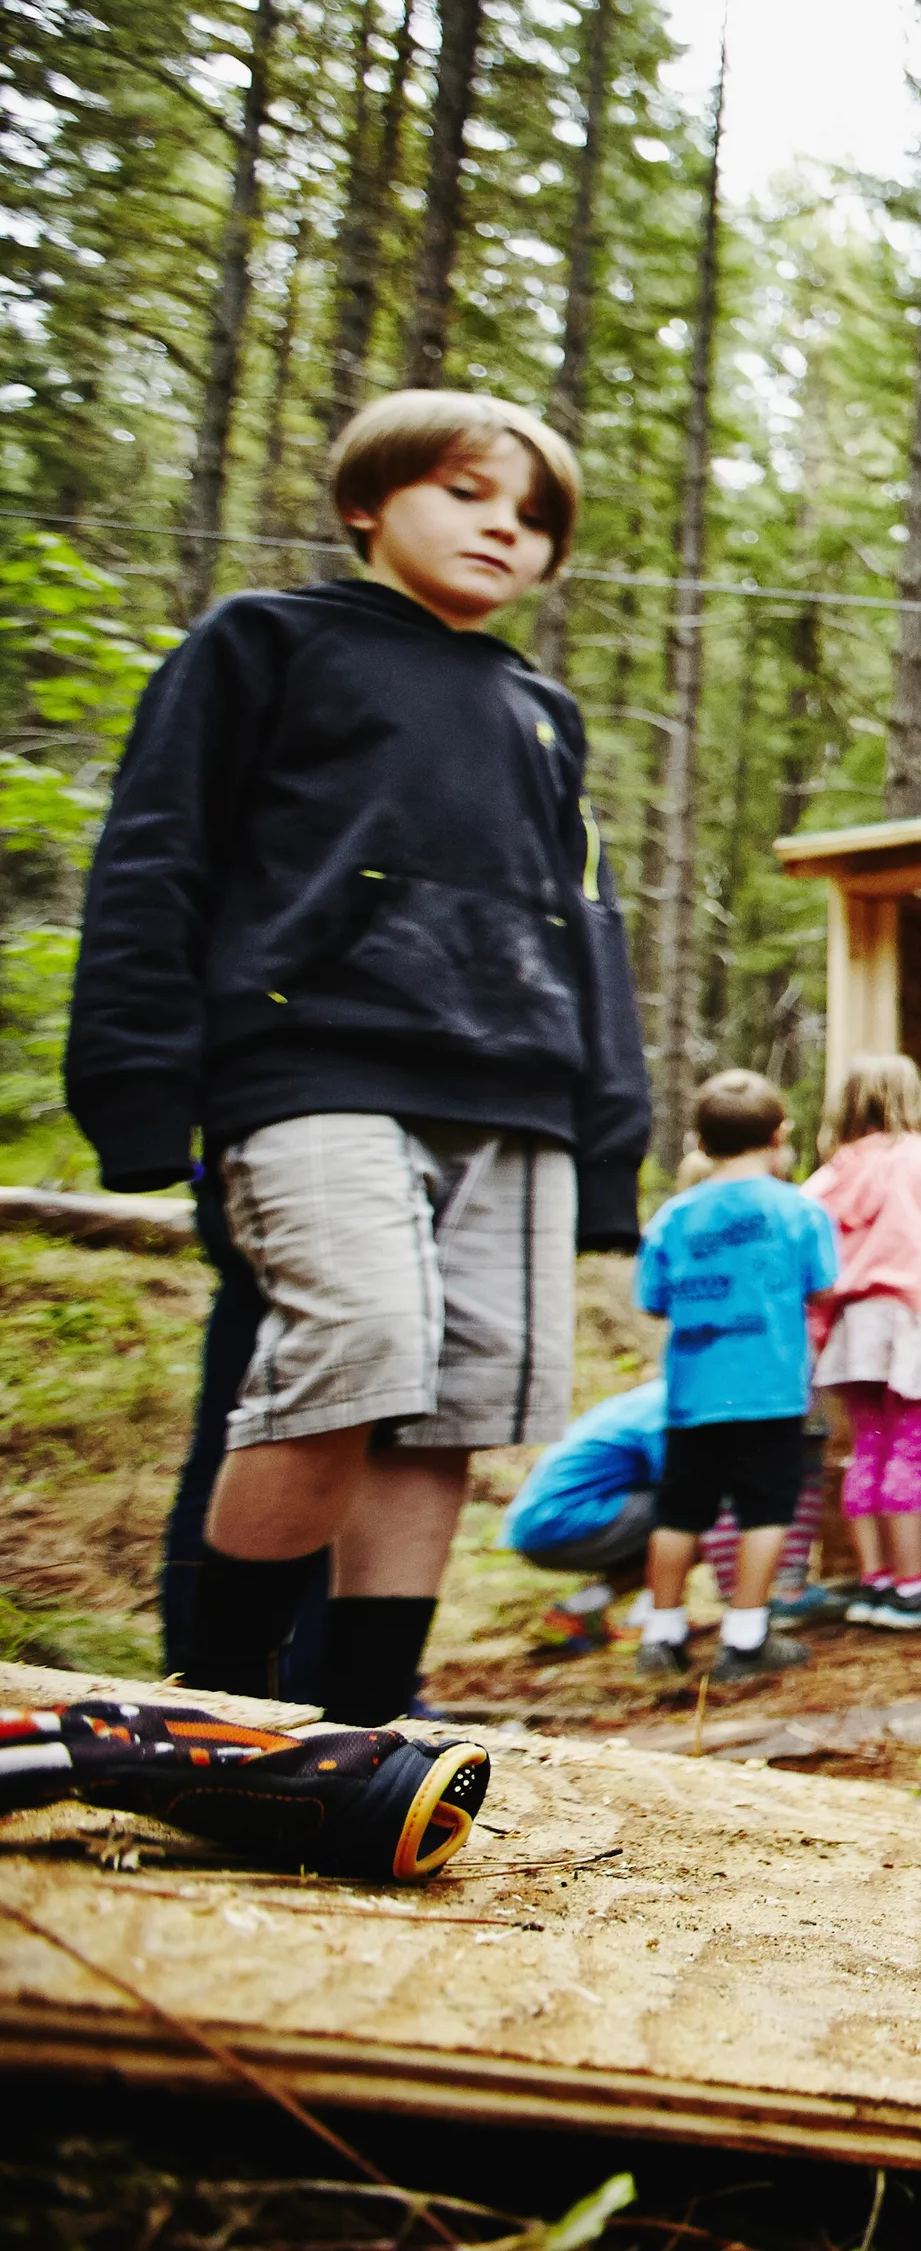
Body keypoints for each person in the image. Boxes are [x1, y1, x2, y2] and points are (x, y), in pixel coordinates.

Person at [65, 388, 651, 1726]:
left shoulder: (539, 712)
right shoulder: (264, 643)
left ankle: (367, 1716)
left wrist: (610, 1137)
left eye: (534, 519)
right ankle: (215, 1709)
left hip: (516, 1096)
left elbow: (589, 927)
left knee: (448, 1407)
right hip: (313, 1066)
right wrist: (141, 1081)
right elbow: (157, 853)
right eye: (467, 493)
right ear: (368, 503)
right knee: (357, 1345)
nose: (504, 531)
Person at [629, 1070, 836, 1685]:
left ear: (699, 1140)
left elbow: (652, 1299)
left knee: (680, 1511)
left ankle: (662, 1635)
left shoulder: (672, 1214)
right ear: (779, 1135)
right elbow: (823, 1286)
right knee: (766, 1509)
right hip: (768, 1389)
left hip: (693, 1390)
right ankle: (744, 1637)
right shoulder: (798, 1208)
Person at [802, 1052, 921, 1632]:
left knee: (869, 1451)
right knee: (908, 1452)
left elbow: (811, 1257)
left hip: (853, 1329)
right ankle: (914, 1588)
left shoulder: (827, 1177)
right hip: (910, 1322)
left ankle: (875, 1582)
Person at [499, 1377, 831, 1659]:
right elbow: (686, 1492)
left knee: (690, 1512)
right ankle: (650, 1620)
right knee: (695, 1513)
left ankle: (579, 1610)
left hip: (555, 1521)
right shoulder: (671, 1411)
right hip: (560, 1523)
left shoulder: (660, 1395)